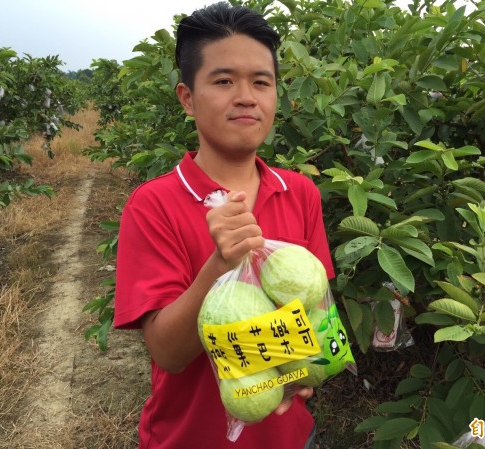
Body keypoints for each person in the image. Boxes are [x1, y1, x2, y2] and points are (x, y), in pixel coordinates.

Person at [114, 2, 335, 448]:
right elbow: (169, 355)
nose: (246, 96)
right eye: (223, 81)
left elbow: (316, 309)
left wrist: (303, 371)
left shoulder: (300, 192)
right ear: (187, 98)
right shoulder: (153, 205)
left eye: (261, 82)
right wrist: (219, 266)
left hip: (293, 436)